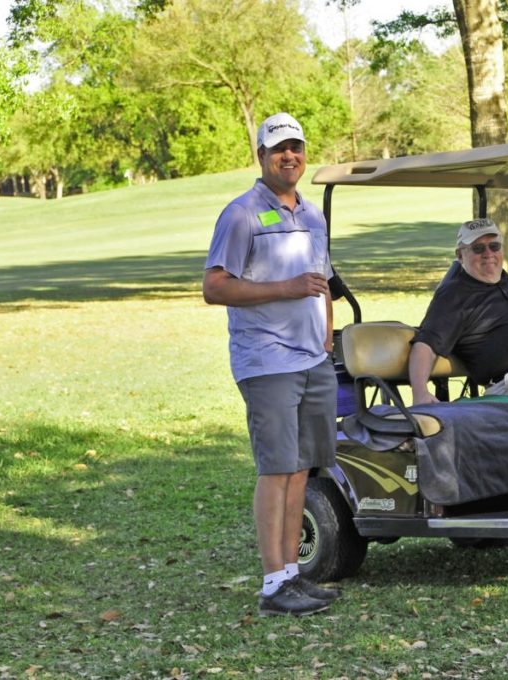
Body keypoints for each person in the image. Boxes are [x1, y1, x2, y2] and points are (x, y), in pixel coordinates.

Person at [203, 112, 340, 617]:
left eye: (296, 147)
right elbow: (214, 286)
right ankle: (272, 583)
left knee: (301, 469)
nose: (289, 156)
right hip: (267, 361)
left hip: (312, 358)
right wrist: (285, 288)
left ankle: (292, 574)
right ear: (261, 156)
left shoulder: (313, 216)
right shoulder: (241, 214)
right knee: (277, 468)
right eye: (279, 148)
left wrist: (326, 336)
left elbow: (321, 281)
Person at [409, 218, 508, 406]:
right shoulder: (453, 295)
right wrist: (420, 392)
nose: (488, 254)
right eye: (478, 248)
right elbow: (425, 345)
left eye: (494, 246)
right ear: (460, 255)